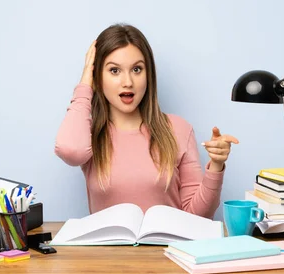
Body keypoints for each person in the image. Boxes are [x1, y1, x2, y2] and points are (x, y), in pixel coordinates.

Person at [55, 24, 238, 219]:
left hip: (166, 247)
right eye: (114, 71)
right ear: (98, 78)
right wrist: (85, 85)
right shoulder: (88, 134)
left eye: (137, 69)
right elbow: (70, 150)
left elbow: (197, 217)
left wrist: (216, 165)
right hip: (108, 250)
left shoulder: (179, 130)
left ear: (148, 75)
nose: (128, 82)